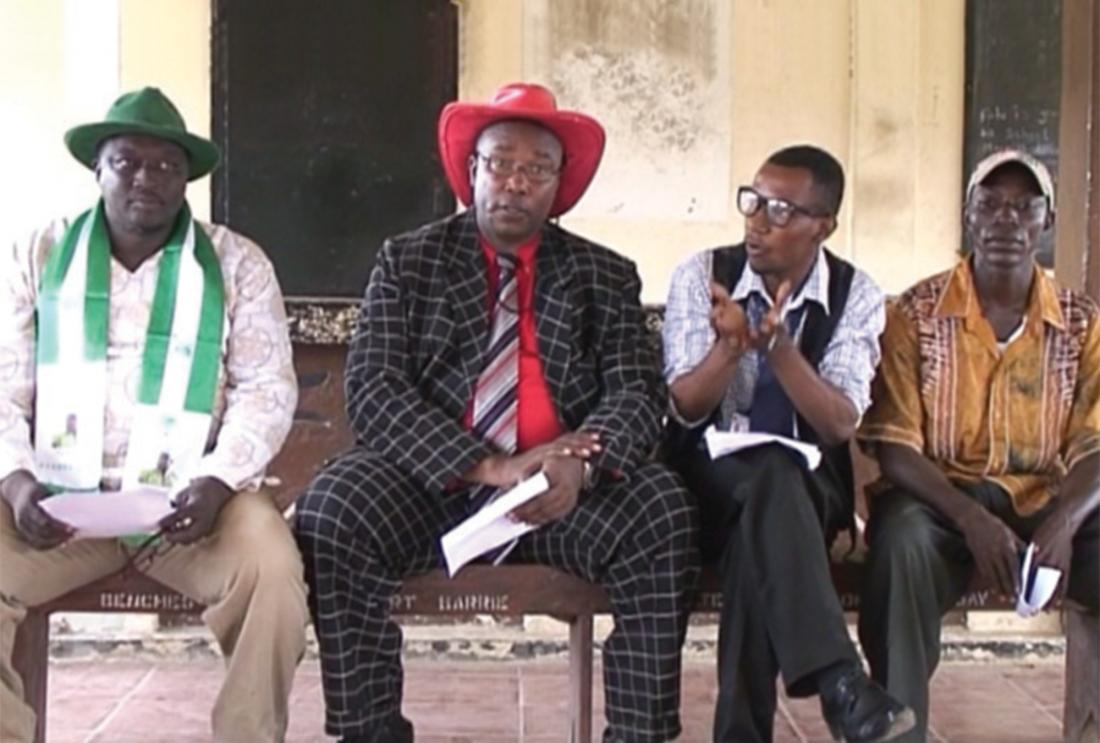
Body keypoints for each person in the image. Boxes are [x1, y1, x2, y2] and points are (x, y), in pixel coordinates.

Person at [294, 82, 699, 743]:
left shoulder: (604, 274)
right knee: (336, 506)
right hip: (437, 489)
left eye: (537, 168)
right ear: (470, 171)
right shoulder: (409, 261)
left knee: (662, 505)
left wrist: (577, 463)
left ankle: (638, 732)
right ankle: (370, 729)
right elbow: (374, 390)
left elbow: (637, 391)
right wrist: (491, 466)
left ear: (559, 184)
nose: (515, 183)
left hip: (563, 499)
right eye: (500, 163)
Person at [0, 87, 308, 743]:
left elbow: (267, 388)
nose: (147, 178)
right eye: (127, 162)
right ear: (98, 169)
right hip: (56, 508)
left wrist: (221, 479)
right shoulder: (35, 254)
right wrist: (18, 480)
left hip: (193, 506)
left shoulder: (237, 263)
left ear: (187, 179)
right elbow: (1, 381)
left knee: (272, 570)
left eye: (167, 165)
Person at [662, 145, 914, 743]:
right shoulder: (704, 274)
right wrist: (729, 349)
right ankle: (842, 685)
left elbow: (839, 424)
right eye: (753, 201)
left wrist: (779, 349)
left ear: (821, 225)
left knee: (773, 490)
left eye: (779, 210)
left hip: (805, 490)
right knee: (762, 515)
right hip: (707, 487)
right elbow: (687, 405)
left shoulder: (855, 293)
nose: (756, 221)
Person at [857, 149, 1100, 741]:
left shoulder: (1083, 322)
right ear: (968, 217)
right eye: (989, 205)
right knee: (902, 547)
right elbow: (894, 447)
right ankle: (898, 730)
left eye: (1024, 208)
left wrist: (1065, 521)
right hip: (941, 503)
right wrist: (969, 517)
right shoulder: (914, 314)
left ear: (1045, 222)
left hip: (1046, 501)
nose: (1005, 222)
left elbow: (1096, 443)